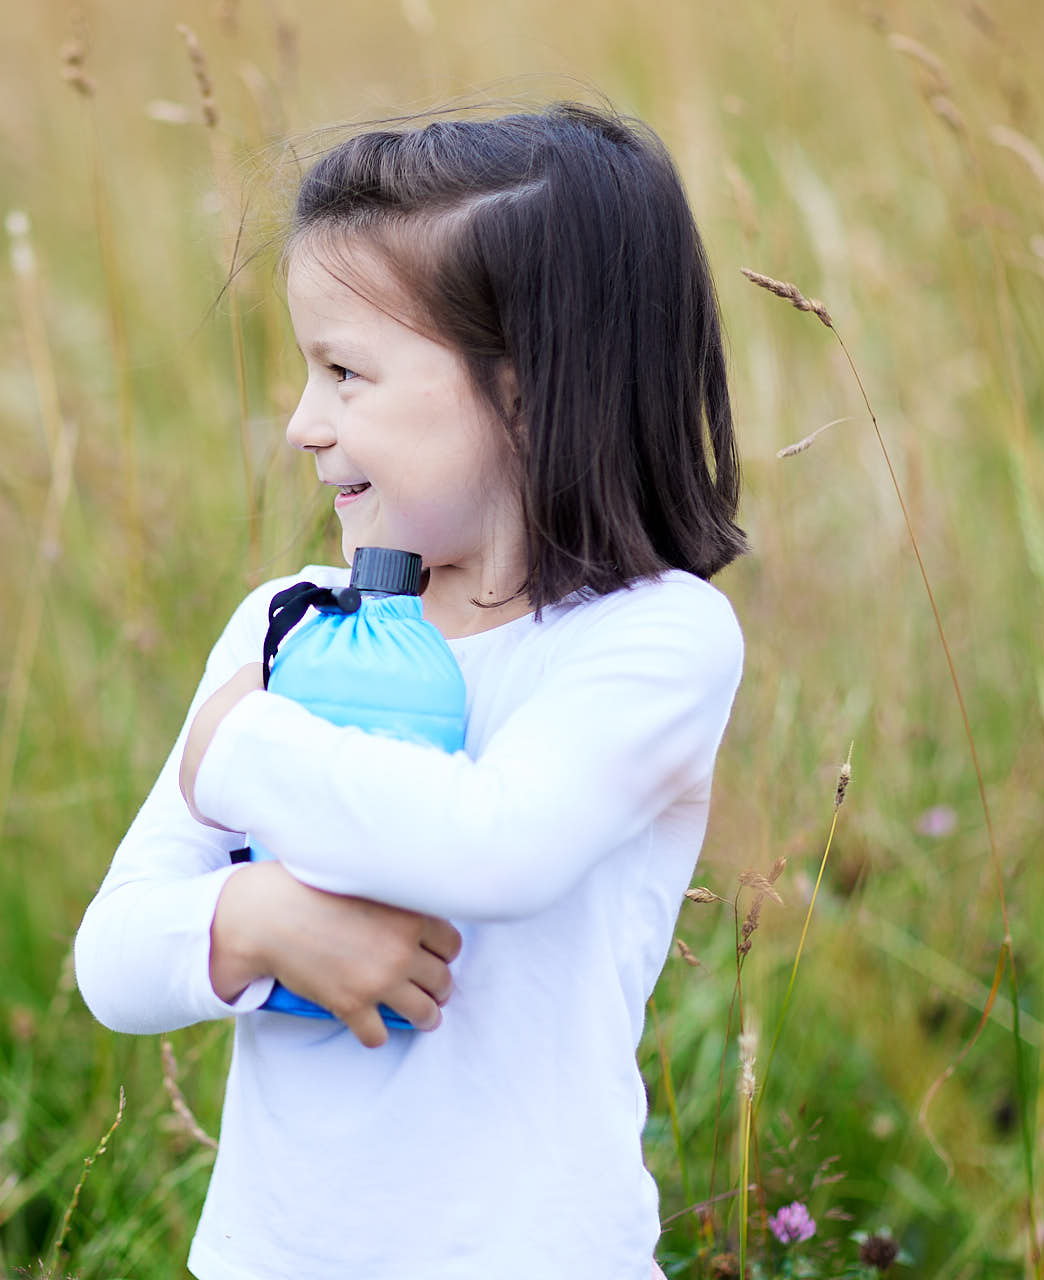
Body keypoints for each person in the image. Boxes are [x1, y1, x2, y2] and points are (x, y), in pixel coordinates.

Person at [73, 102, 747, 1280]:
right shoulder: (292, 622)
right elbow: (114, 954)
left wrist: (237, 745)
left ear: (531, 387)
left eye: (345, 371)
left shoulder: (649, 640)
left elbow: (494, 847)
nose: (300, 422)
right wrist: (252, 922)